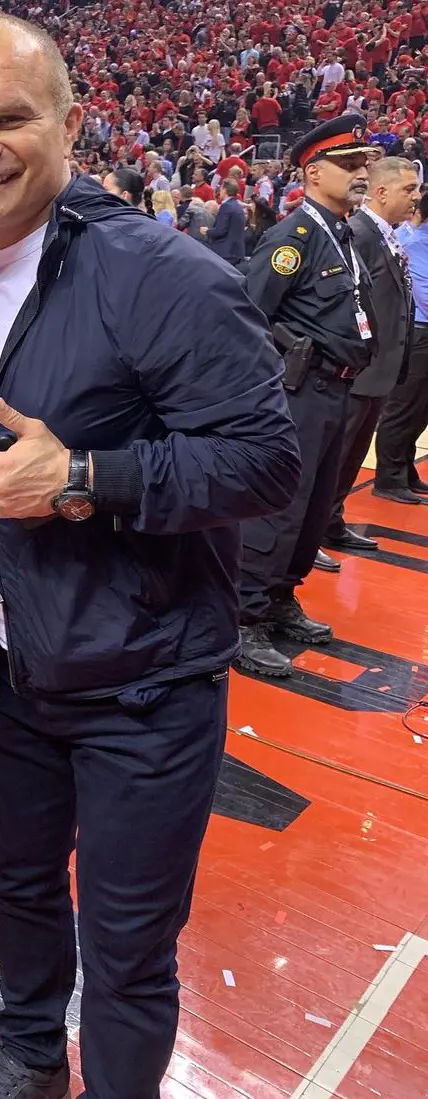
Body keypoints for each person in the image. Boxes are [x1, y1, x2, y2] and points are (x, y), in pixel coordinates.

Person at [0, 15, 299, 1099]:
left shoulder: (161, 273)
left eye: (8, 118)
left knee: (127, 940)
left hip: (145, 681)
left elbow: (266, 458)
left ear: (72, 125)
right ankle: (33, 1058)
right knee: (22, 888)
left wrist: (86, 474)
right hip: (5, 666)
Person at [237, 115, 378, 678]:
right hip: (300, 392)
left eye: (362, 162)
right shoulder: (292, 239)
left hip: (338, 389)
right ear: (314, 173)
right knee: (281, 508)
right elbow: (249, 315)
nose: (361, 171)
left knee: (316, 506)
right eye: (348, 164)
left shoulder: (340, 233)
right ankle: (243, 619)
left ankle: (279, 600)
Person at [317, 156, 418, 570]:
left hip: (378, 369)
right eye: (408, 190)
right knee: (333, 458)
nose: (415, 198)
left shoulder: (385, 234)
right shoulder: (359, 232)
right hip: (357, 370)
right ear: (381, 192)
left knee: (352, 457)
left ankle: (331, 521)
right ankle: (312, 531)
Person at [374, 190, 428, 502]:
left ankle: (405, 469)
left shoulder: (413, 236)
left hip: (419, 332)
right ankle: (389, 478)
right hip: (416, 334)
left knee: (419, 410)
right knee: (404, 407)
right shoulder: (412, 241)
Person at [201, 177, 246, 263]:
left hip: (226, 252)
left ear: (225, 190)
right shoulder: (237, 205)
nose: (220, 191)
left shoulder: (226, 206)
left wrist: (207, 231)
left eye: (221, 189)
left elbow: (220, 230)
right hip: (235, 251)